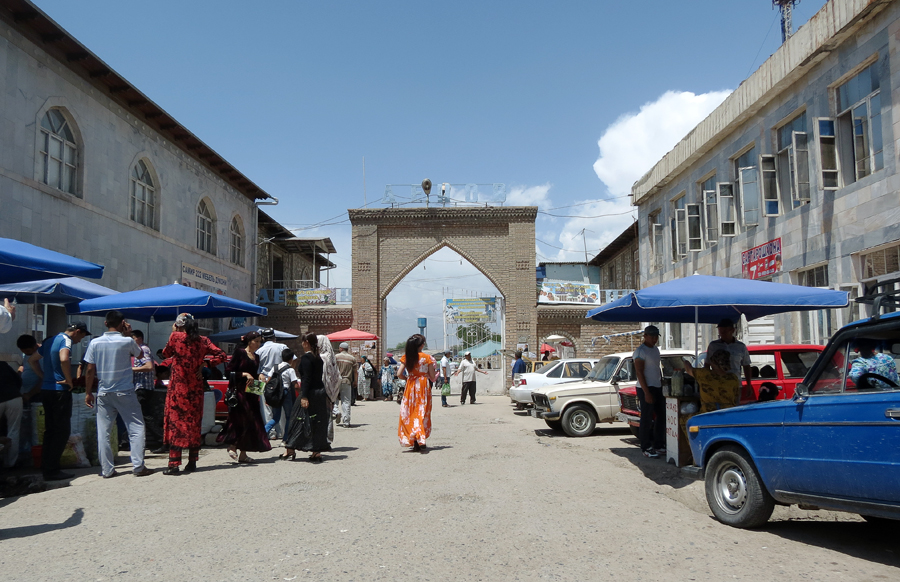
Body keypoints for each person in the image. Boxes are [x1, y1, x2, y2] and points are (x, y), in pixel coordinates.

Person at [83, 310, 154, 478]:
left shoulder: (95, 343)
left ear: (106, 323)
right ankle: (138, 466)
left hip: (104, 392)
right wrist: (128, 334)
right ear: (123, 323)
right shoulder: (127, 341)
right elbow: (141, 354)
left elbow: (90, 369)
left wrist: (88, 392)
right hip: (125, 391)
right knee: (136, 427)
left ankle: (107, 469)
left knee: (104, 431)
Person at [161, 313, 227, 475]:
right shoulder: (203, 341)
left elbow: (166, 353)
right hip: (196, 390)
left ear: (179, 325)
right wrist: (206, 364)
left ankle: (174, 464)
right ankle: (192, 462)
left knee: (177, 424)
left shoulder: (176, 337)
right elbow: (222, 355)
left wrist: (172, 333)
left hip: (179, 389)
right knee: (193, 425)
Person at [29, 321, 91, 481]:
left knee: (50, 430)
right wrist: (68, 380)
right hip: (59, 392)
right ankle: (52, 470)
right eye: (82, 336)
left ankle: (46, 466)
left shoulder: (50, 340)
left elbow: (32, 360)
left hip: (47, 390)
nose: (80, 341)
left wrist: (43, 376)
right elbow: (64, 359)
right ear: (77, 331)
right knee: (61, 431)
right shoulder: (66, 340)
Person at [217, 330, 271, 464]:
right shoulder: (240, 353)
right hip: (240, 393)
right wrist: (244, 374)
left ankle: (243, 454)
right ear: (249, 341)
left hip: (251, 393)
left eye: (260, 342)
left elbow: (255, 372)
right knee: (240, 420)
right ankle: (232, 445)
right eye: (256, 341)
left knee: (251, 422)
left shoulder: (256, 356)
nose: (258, 344)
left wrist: (260, 375)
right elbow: (228, 372)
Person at [282, 333, 328, 462]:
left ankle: (290, 448)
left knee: (296, 418)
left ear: (306, 342)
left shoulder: (307, 358)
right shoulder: (318, 358)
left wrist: (304, 396)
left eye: (303, 342)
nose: (302, 344)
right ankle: (316, 450)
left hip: (309, 393)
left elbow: (306, 379)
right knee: (316, 421)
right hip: (319, 392)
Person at [397, 334, 436, 452]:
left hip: (411, 385)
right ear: (422, 345)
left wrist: (408, 378)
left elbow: (399, 374)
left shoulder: (407, 357)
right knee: (422, 411)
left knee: (410, 412)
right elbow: (433, 377)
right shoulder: (427, 357)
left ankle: (414, 439)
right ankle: (421, 439)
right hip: (423, 386)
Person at [634, 325, 665, 459]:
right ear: (645, 336)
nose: (654, 339)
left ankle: (659, 444)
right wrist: (646, 392)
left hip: (657, 386)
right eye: (651, 337)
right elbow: (639, 372)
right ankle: (646, 447)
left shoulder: (656, 350)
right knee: (646, 418)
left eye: (656, 337)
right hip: (645, 387)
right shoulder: (640, 351)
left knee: (661, 416)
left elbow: (656, 368)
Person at [706, 318, 752, 404]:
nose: (722, 333)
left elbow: (746, 365)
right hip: (718, 384)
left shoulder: (740, 347)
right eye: (720, 330)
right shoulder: (713, 346)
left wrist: (749, 385)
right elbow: (707, 364)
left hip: (735, 384)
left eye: (725, 330)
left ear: (732, 330)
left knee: (733, 408)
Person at [131, 329, 162, 452]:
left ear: (139, 338)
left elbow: (149, 367)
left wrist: (131, 369)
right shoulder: (139, 350)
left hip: (142, 387)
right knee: (140, 415)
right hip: (142, 387)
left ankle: (161, 440)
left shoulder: (142, 349)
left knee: (145, 415)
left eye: (132, 339)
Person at [255, 328, 288, 439]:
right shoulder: (282, 347)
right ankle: (282, 432)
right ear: (274, 337)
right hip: (281, 380)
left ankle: (271, 433)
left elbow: (256, 368)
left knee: (266, 408)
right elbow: (293, 359)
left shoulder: (259, 351)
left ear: (263, 338)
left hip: (263, 380)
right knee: (281, 407)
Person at [16, 334, 42, 465]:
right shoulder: (26, 355)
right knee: (23, 426)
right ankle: (24, 451)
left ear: (34, 346)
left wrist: (30, 394)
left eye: (27, 352)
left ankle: (32, 452)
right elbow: (23, 366)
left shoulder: (41, 355)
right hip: (23, 394)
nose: (26, 354)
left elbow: (43, 379)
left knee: (32, 426)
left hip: (34, 396)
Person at [263, 348, 297, 440]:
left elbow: (268, 381)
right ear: (291, 359)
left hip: (275, 394)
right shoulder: (290, 370)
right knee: (289, 417)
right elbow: (295, 384)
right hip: (286, 393)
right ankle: (285, 439)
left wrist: (268, 397)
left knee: (275, 418)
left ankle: (263, 433)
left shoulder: (275, 367)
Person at [317, 335, 341, 446]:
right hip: (330, 391)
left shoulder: (321, 357)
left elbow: (322, 376)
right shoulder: (331, 357)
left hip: (322, 389)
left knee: (320, 416)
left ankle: (321, 440)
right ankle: (327, 440)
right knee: (328, 415)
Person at [0, 358, 22, 468]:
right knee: (14, 430)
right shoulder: (3, 364)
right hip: (14, 398)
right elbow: (18, 380)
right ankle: (11, 463)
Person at [335, 342, 356, 428]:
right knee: (346, 401)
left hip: (336, 381)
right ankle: (346, 421)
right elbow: (355, 372)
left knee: (334, 398)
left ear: (340, 348)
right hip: (347, 381)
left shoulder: (336, 357)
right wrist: (355, 381)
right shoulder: (352, 358)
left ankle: (336, 411)